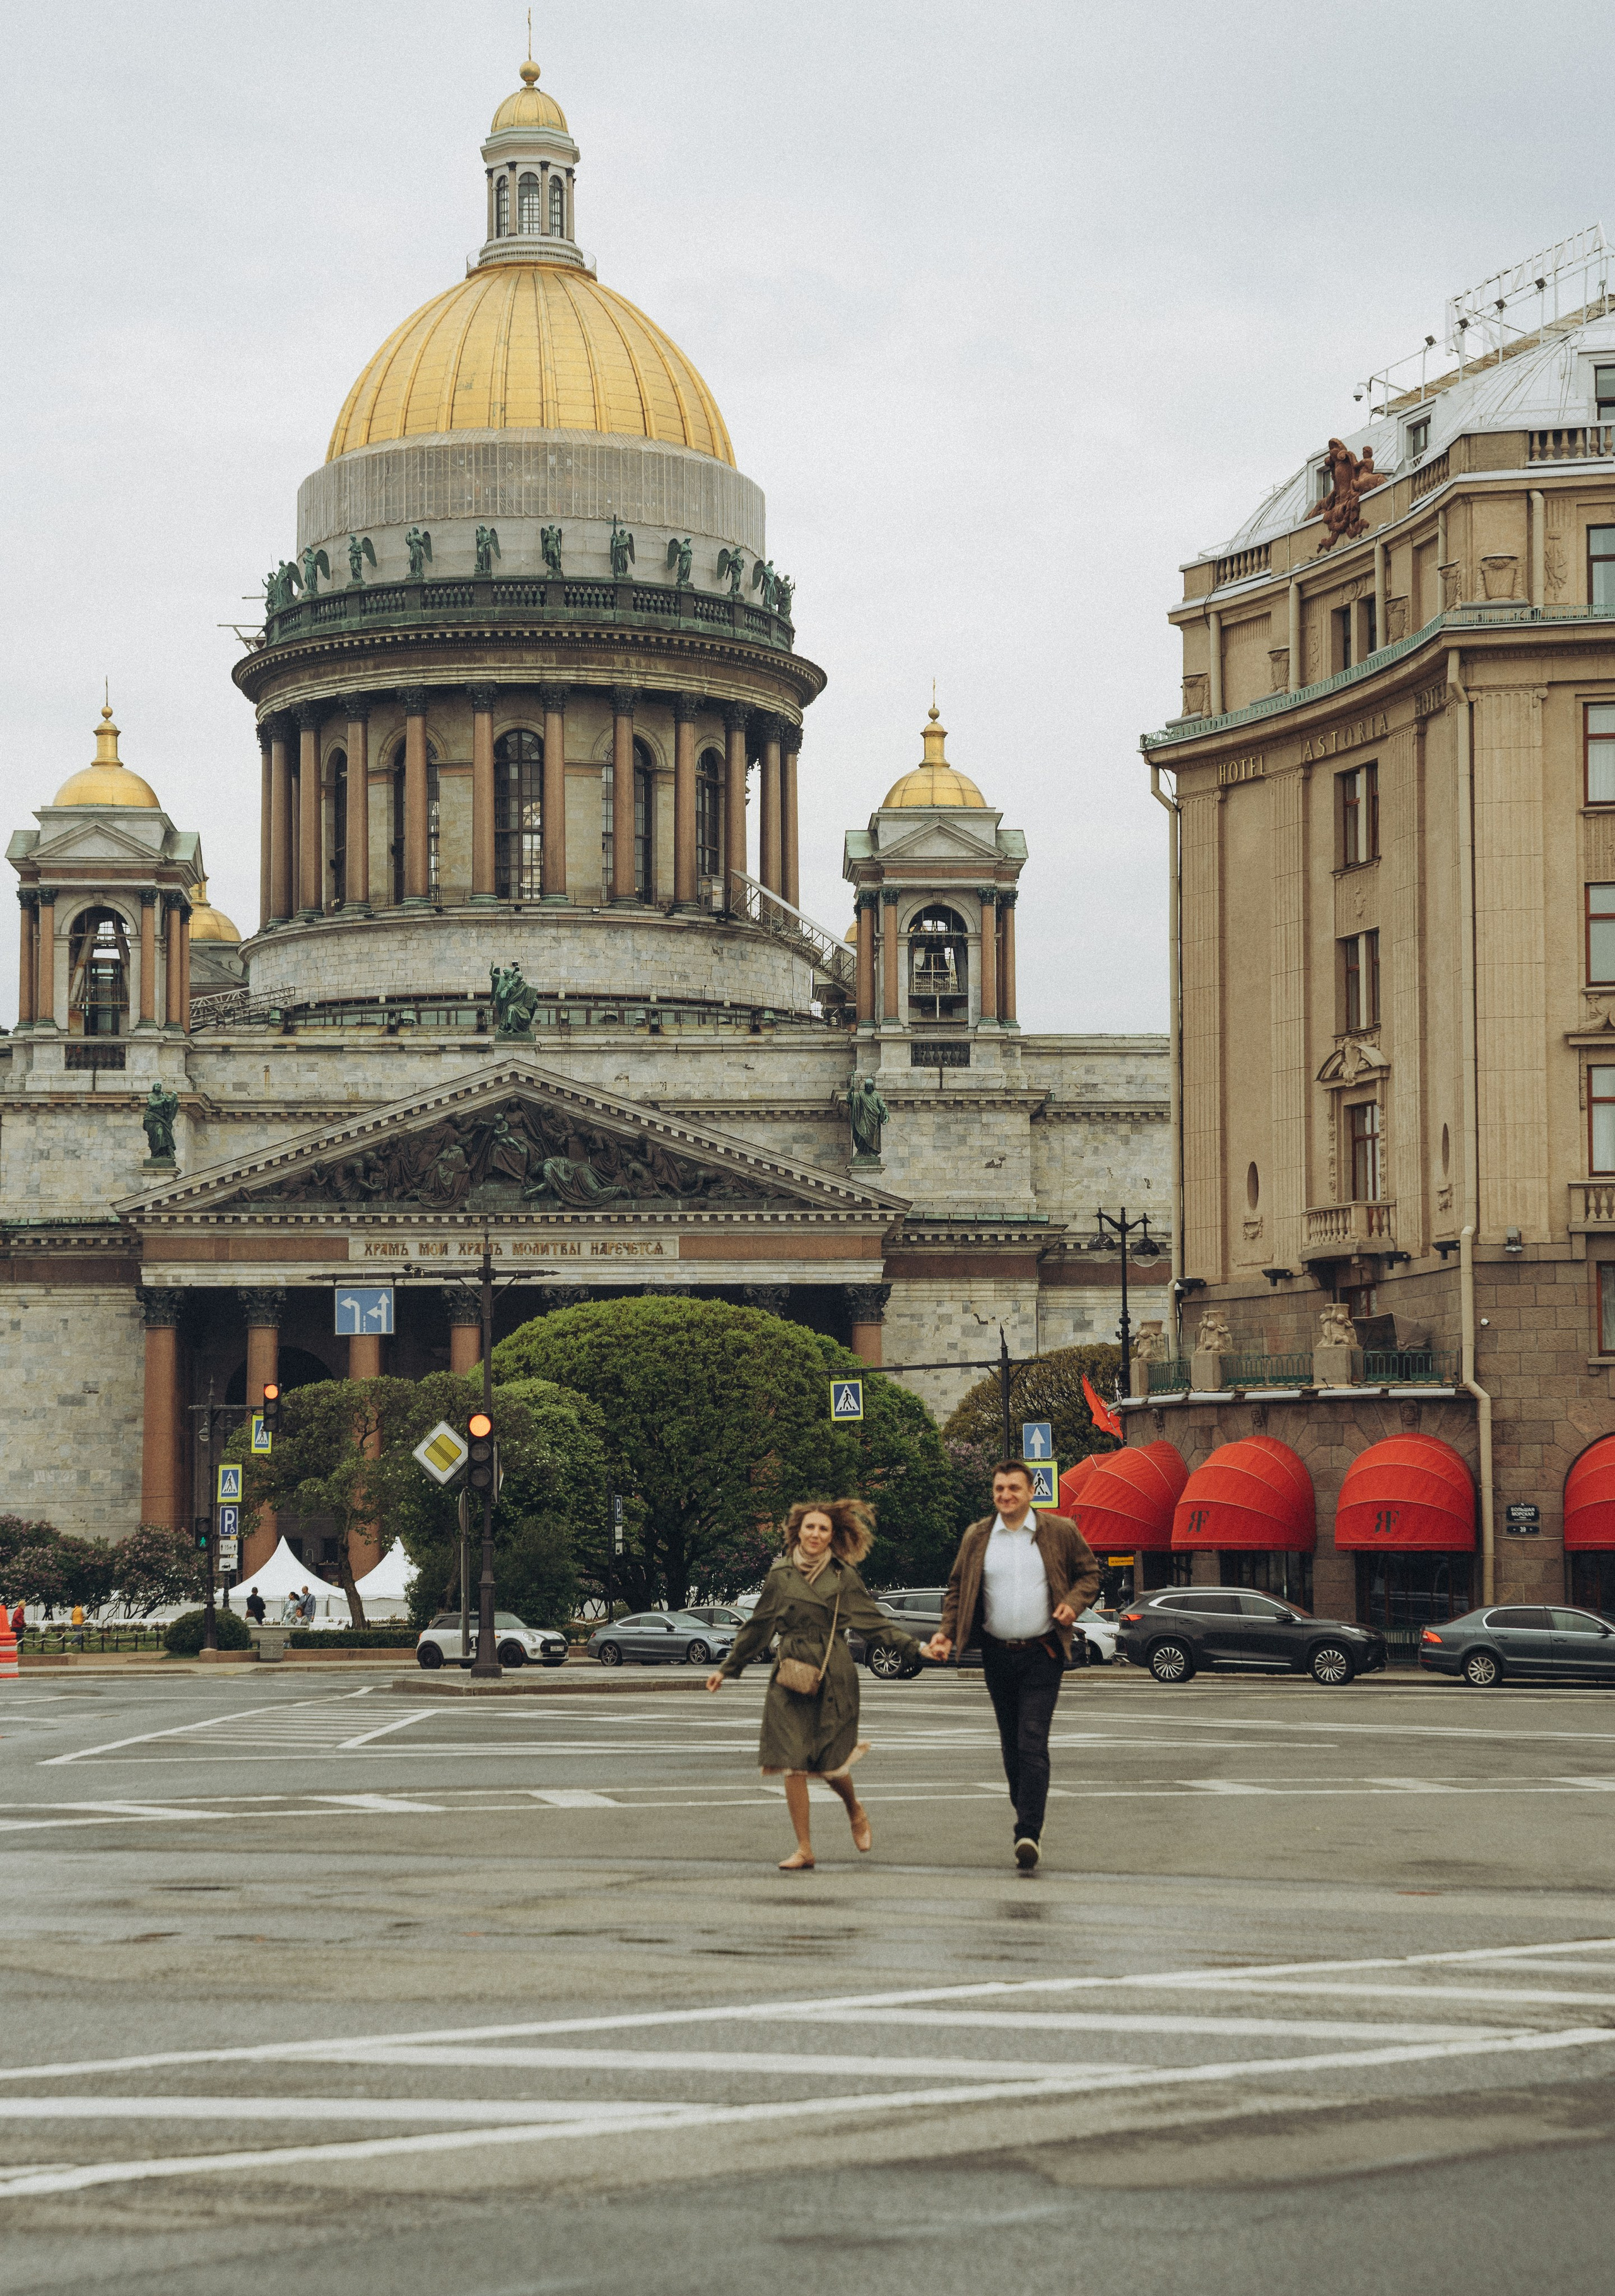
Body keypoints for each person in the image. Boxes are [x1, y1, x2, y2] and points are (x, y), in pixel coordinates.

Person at [707, 1498, 925, 1871]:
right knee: (792, 1762)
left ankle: (854, 1809)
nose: (816, 1534)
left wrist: (916, 1648)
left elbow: (874, 1624)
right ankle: (804, 1848)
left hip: (832, 1672)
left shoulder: (844, 1576)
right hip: (790, 1673)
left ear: (832, 1536)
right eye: (810, 1527)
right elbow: (760, 1625)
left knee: (830, 1764)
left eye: (823, 1529)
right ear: (798, 1530)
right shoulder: (781, 1574)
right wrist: (728, 1668)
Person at [925, 1458, 1100, 1875]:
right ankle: (1026, 1813)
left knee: (1032, 1739)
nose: (1006, 1496)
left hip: (1044, 1652)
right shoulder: (978, 1536)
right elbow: (957, 1587)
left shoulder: (1059, 1532)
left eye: (1014, 1489)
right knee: (1010, 1744)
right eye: (999, 1489)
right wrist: (947, 1632)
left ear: (1031, 1492)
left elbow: (1090, 1575)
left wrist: (1072, 1604)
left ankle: (1028, 1832)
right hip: (996, 1654)